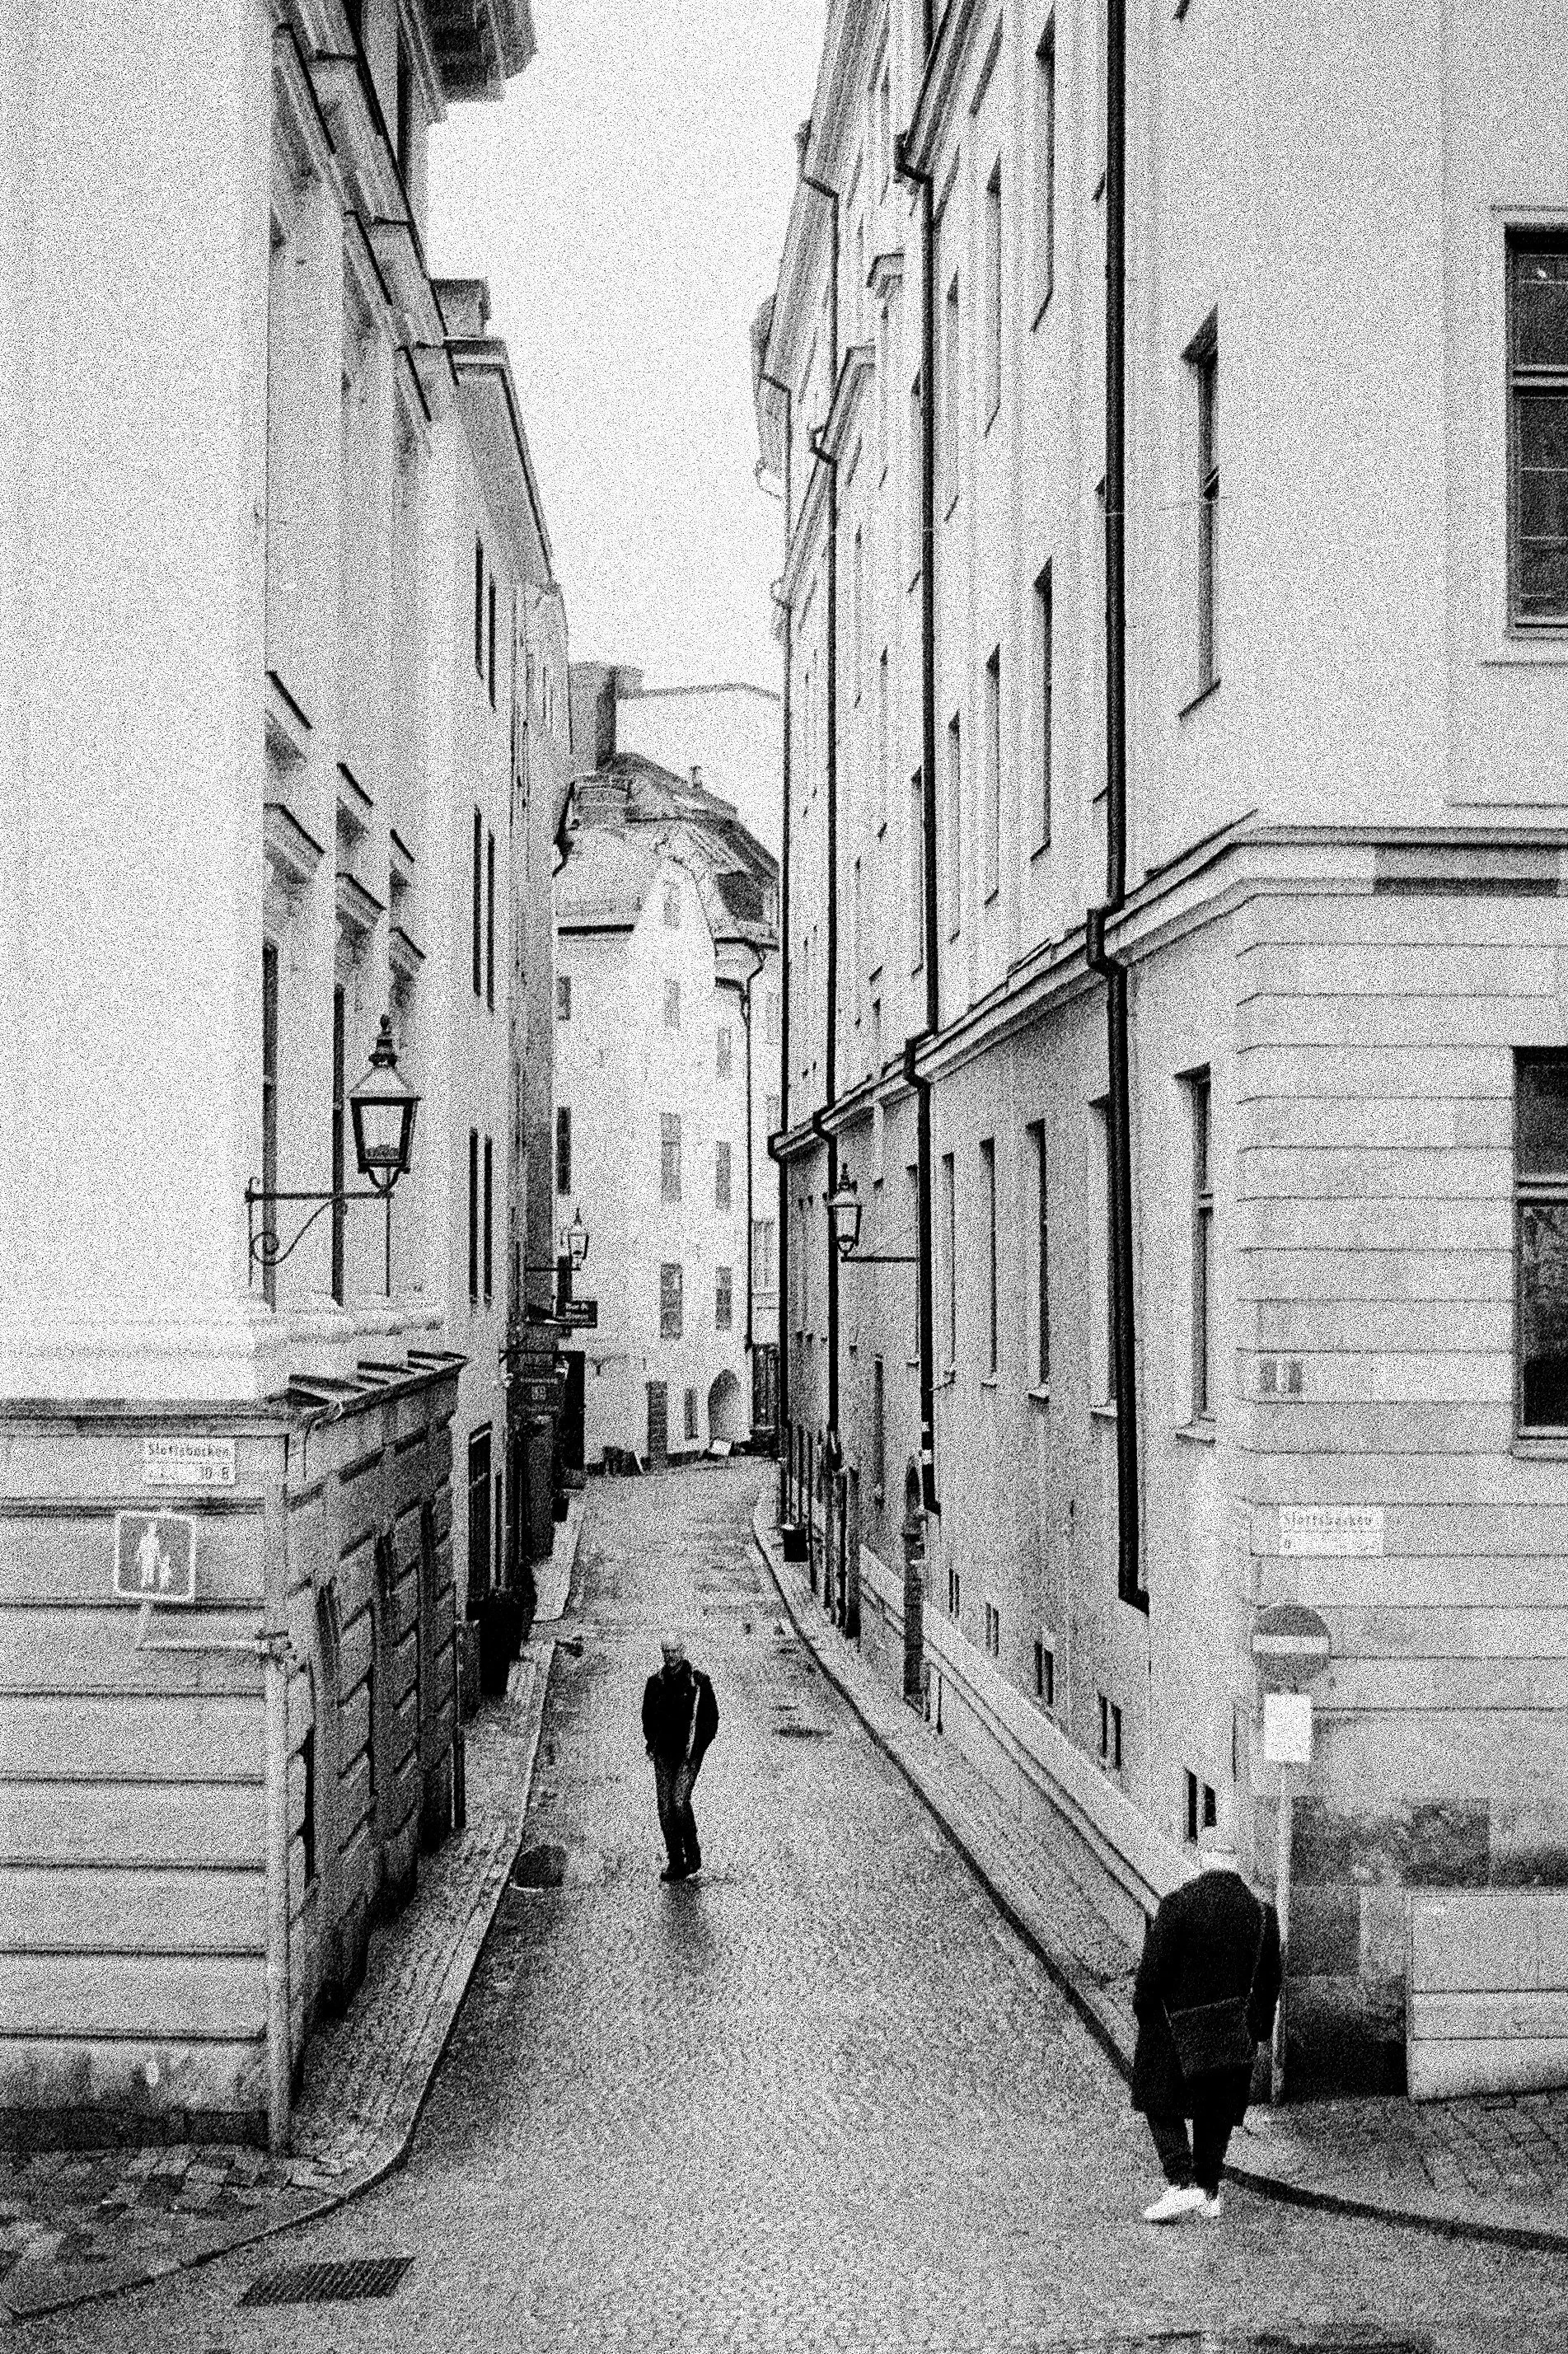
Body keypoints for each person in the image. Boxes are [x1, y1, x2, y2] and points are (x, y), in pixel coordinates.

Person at [1131, 1818, 1282, 2223]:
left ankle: (1182, 2181)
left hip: (1176, 2028)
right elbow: (1270, 1979)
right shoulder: (1264, 1915)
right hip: (1236, 2028)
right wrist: (1259, 2031)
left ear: (1201, 1857)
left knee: (1159, 2098)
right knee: (1217, 2108)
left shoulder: (1178, 1905)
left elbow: (1153, 1973)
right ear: (1238, 1863)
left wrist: (1143, 2007)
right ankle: (1209, 2188)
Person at [640, 1636, 718, 1882]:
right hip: (664, 1755)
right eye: (667, 1651)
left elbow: (710, 1721)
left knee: (678, 1802)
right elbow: (648, 1717)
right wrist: (652, 1742)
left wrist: (697, 1751)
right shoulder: (655, 1683)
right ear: (663, 1653)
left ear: (683, 1651)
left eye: (675, 1651)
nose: (671, 1655)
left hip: (687, 1757)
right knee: (665, 1809)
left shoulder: (698, 1683)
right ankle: (676, 1860)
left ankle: (693, 1853)